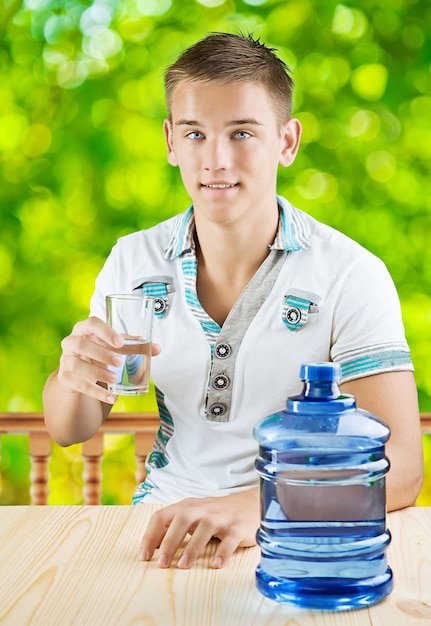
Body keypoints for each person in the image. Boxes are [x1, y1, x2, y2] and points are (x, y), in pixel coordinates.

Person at [43, 32, 424, 570]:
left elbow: (402, 467)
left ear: (287, 142)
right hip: (162, 532)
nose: (215, 160)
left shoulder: (350, 274)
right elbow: (69, 428)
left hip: (297, 530)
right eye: (196, 134)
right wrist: (72, 377)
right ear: (171, 142)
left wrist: (261, 506)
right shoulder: (135, 261)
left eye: (241, 132)